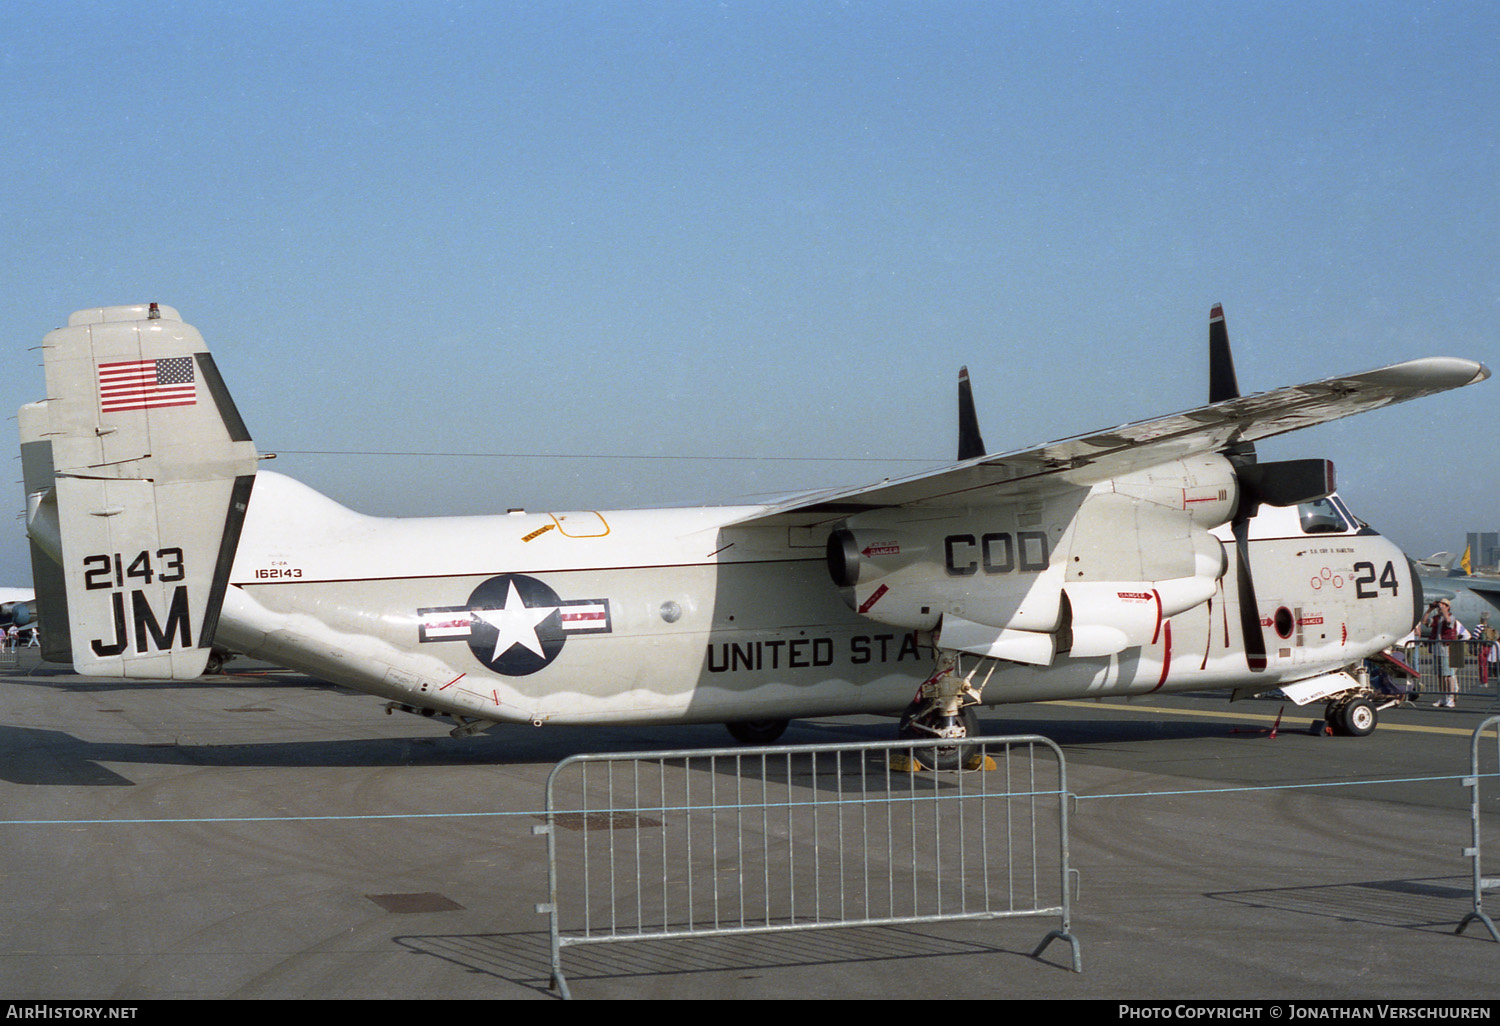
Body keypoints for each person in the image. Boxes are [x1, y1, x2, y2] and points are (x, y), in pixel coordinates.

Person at [1421, 599, 1466, 707]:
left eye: (1444, 605)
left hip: (1447, 649)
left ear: (1448, 607)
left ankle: (1450, 697)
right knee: (1440, 676)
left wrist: (1443, 610)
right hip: (1437, 649)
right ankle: (1443, 697)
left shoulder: (1452, 617)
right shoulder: (1436, 618)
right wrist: (1429, 610)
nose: (1441, 607)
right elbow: (1424, 622)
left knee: (1448, 675)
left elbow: (1448, 621)